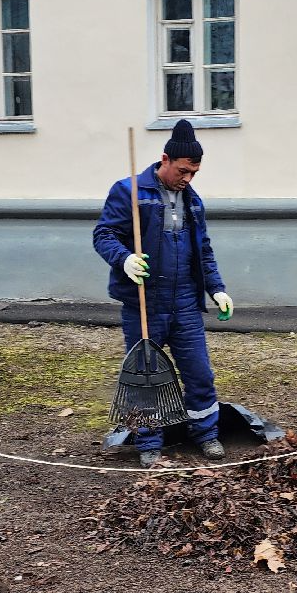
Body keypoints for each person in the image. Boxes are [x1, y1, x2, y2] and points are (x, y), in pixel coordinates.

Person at [93, 120, 234, 468]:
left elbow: (203, 250)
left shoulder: (193, 201)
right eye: (183, 171)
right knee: (146, 375)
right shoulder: (130, 192)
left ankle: (206, 434)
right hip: (145, 302)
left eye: (194, 173)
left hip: (185, 302)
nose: (187, 179)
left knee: (200, 373)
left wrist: (217, 289)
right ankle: (149, 441)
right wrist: (124, 259)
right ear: (165, 159)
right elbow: (103, 234)